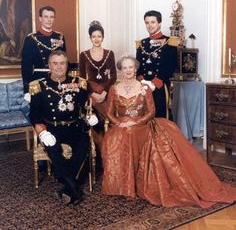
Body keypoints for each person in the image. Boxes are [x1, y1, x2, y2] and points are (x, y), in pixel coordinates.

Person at [101, 54, 236, 208]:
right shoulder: (114, 88)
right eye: (124, 68)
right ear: (121, 70)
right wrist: (120, 123)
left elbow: (151, 111)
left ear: (135, 68)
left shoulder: (145, 87)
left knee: (130, 135)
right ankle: (120, 185)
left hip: (142, 125)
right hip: (122, 126)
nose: (128, 70)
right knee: (114, 138)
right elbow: (109, 112)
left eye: (130, 67)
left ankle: (133, 185)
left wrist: (135, 121)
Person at [29, 50, 97, 205]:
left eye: (62, 63)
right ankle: (74, 188)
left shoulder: (78, 83)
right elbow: (35, 115)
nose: (59, 67)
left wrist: (90, 117)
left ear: (67, 65)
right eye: (55, 63)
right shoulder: (39, 86)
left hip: (74, 127)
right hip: (51, 129)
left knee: (83, 144)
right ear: (49, 66)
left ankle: (67, 186)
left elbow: (84, 107)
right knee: (52, 148)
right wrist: (42, 133)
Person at [79, 21, 116, 150]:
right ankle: (98, 149)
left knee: (111, 121)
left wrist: (104, 93)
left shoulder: (109, 54)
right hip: (92, 94)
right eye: (94, 36)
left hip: (107, 92)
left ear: (103, 37)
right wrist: (93, 94)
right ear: (90, 37)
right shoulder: (84, 55)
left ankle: (111, 148)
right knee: (95, 122)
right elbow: (82, 79)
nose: (96, 39)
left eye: (99, 36)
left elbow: (114, 76)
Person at [136, 10, 177, 119]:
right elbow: (138, 65)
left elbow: (171, 65)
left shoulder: (169, 42)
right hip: (143, 86)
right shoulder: (142, 43)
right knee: (143, 116)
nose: (150, 25)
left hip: (159, 85)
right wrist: (142, 81)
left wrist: (156, 82)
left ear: (159, 23)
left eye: (153, 22)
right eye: (147, 23)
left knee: (160, 116)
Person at [21, 5, 66, 100]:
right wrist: (26, 89)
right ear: (40, 19)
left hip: (57, 80)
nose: (49, 20)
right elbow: (26, 66)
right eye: (46, 17)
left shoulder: (60, 37)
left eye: (51, 17)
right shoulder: (31, 38)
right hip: (38, 81)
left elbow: (64, 62)